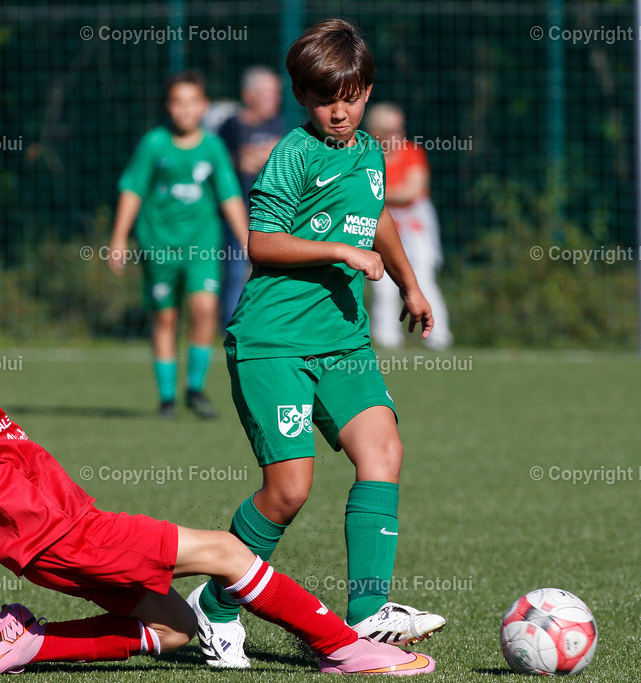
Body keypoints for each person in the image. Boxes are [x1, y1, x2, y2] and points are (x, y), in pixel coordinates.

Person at [0, 275, 435, 677]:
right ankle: (345, 648)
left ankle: (26, 643)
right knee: (228, 552)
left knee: (173, 628)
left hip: (46, 550)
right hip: (72, 536)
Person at [186, 19, 446, 669]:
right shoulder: (293, 153)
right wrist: (338, 250)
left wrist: (412, 285)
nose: (339, 111)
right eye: (325, 98)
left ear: (367, 92)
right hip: (273, 342)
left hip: (343, 342)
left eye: (351, 97)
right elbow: (261, 243)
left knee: (383, 449)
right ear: (303, 97)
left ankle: (367, 612)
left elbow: (377, 215)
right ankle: (214, 603)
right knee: (288, 490)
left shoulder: (369, 151)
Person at [109, 71, 248, 420]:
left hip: (202, 245)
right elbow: (133, 190)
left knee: (205, 309)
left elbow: (230, 195)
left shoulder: (212, 147)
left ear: (204, 106)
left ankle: (195, 389)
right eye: (177, 101)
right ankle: (167, 399)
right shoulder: (154, 144)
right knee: (165, 317)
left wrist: (248, 241)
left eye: (192, 101)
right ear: (168, 106)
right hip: (159, 247)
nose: (185, 109)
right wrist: (119, 238)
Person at [365, 103, 452, 350]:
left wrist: (375, 194)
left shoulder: (412, 153)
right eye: (392, 130)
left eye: (400, 128)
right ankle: (387, 339)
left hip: (415, 228)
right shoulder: (366, 156)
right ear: (375, 132)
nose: (399, 135)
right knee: (383, 285)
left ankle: (438, 336)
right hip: (381, 226)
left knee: (423, 280)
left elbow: (411, 192)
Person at [217, 66, 286, 328]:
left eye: (276, 92)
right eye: (268, 93)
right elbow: (226, 161)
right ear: (249, 95)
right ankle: (232, 330)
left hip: (274, 216)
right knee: (237, 273)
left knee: (272, 274)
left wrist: (256, 155)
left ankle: (266, 327)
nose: (275, 98)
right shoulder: (231, 126)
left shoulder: (279, 123)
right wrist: (249, 157)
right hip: (239, 215)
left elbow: (280, 158)